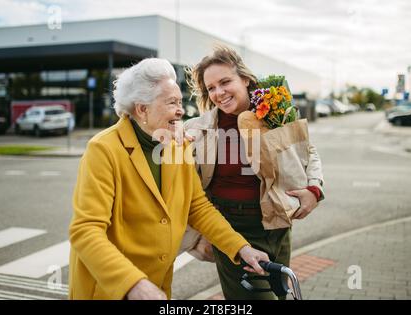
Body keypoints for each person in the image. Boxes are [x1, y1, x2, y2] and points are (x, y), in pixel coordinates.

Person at [68, 58, 270, 300]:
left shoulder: (178, 145)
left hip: (157, 285)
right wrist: (132, 284)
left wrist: (241, 248)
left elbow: (198, 207)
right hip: (112, 288)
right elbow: (86, 230)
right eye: (172, 102)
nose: (181, 111)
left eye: (180, 101)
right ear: (142, 109)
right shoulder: (103, 149)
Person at [183, 45, 324, 299]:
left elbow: (308, 151)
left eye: (225, 82)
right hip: (232, 229)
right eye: (211, 88)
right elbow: (179, 183)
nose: (219, 93)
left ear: (245, 78)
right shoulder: (198, 129)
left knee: (279, 294)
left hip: (277, 225)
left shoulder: (275, 112)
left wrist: (315, 188)